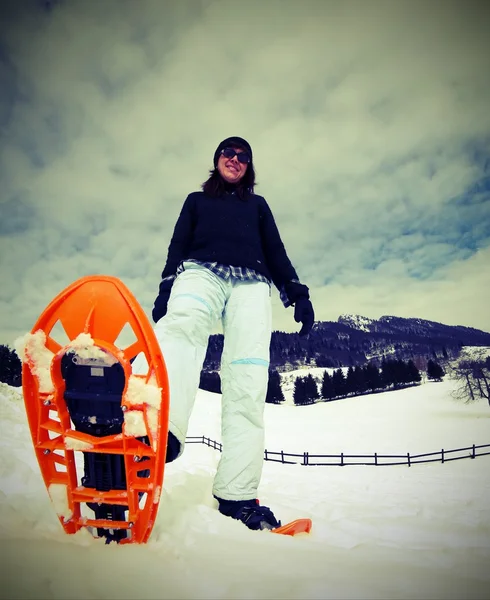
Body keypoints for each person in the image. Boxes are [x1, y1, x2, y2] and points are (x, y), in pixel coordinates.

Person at [133, 136, 314, 531]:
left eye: (243, 156)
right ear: (216, 161)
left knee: (248, 377)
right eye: (228, 153)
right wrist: (167, 287)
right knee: (181, 329)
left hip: (252, 283)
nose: (235, 159)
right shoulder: (196, 202)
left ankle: (238, 495)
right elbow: (177, 245)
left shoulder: (258, 207)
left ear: (249, 166)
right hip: (200, 272)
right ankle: (157, 433)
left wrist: (297, 293)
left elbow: (276, 251)